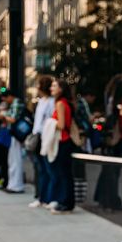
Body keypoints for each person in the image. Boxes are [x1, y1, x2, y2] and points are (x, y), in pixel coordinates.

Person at [49, 79, 75, 213]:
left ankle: (65, 202)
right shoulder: (65, 103)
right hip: (65, 141)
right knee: (66, 174)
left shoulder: (60, 103)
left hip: (62, 141)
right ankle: (67, 202)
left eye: (54, 86)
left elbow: (61, 125)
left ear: (61, 89)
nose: (51, 88)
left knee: (63, 174)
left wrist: (50, 122)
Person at [28, 76, 55, 208]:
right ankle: (41, 196)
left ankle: (47, 197)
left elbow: (50, 120)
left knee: (46, 168)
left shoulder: (51, 101)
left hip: (45, 137)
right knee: (39, 168)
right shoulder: (41, 101)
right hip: (38, 136)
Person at [0, 89, 25, 193]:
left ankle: (16, 185)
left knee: (15, 160)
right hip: (13, 134)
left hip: (17, 134)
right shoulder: (14, 103)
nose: (5, 100)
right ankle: (13, 184)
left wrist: (4, 115)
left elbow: (13, 119)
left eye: (5, 98)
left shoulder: (17, 102)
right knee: (12, 160)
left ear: (10, 96)